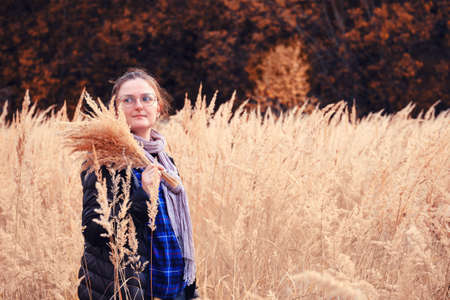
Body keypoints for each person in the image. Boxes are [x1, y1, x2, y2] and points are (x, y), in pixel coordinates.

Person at [78, 68, 198, 300]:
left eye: (146, 98)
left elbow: (177, 232)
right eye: (128, 100)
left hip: (173, 287)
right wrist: (143, 194)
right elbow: (94, 231)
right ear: (116, 109)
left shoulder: (164, 159)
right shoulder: (104, 159)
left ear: (158, 107)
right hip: (129, 288)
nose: (139, 106)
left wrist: (191, 291)